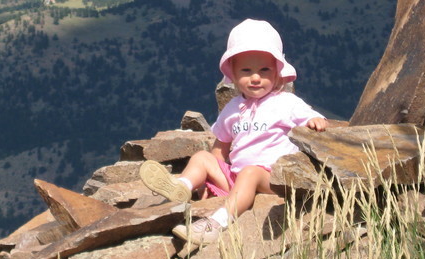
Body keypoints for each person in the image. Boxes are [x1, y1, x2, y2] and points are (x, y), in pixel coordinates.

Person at [139, 18, 327, 245]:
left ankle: (215, 224)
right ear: (235, 76)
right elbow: (220, 147)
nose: (255, 77)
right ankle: (183, 187)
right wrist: (211, 179)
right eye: (246, 71)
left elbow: (310, 117)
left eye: (264, 70)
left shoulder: (286, 102)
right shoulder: (233, 108)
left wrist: (315, 120)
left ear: (277, 73)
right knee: (202, 157)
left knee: (251, 172)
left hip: (271, 180)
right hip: (236, 179)